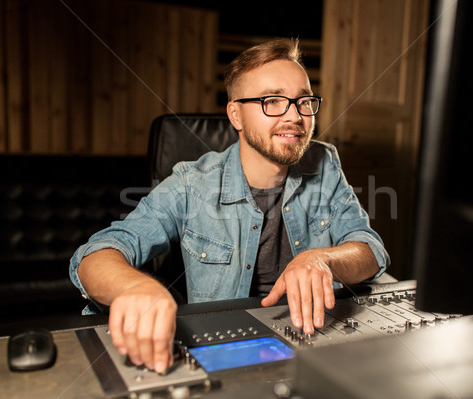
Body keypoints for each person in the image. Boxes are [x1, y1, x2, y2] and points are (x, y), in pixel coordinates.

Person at [69, 38, 390, 374]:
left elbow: (370, 249)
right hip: (226, 352)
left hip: (310, 339)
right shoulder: (192, 183)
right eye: (273, 101)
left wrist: (323, 259)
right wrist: (134, 287)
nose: (295, 116)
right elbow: (95, 255)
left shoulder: (324, 163)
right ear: (235, 114)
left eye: (304, 101)